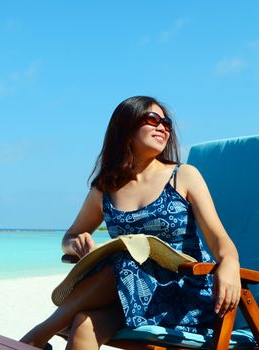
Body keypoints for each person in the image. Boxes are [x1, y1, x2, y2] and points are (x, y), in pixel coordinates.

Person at [20, 96, 241, 350]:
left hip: (181, 297)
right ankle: (39, 337)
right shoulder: (106, 188)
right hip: (128, 298)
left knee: (121, 262)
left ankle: (36, 337)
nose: (163, 127)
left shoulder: (183, 176)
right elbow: (69, 238)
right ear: (126, 128)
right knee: (83, 323)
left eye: (166, 123)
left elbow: (218, 238)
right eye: (153, 120)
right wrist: (76, 243)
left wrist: (230, 264)